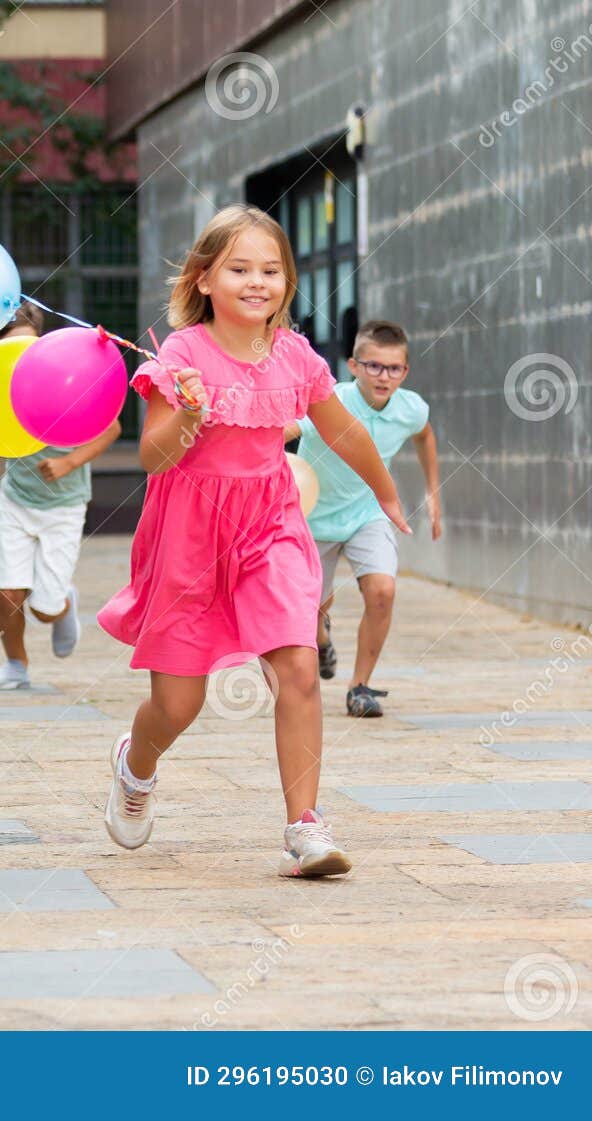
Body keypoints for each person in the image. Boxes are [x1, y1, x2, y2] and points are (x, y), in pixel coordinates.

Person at [95, 204, 410, 878]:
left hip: (270, 524)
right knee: (179, 704)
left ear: (287, 283)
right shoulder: (179, 354)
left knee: (297, 667)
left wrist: (384, 490)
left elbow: (344, 430)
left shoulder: (294, 355)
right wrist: (188, 413)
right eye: (239, 268)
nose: (257, 281)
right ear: (204, 279)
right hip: (188, 533)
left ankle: (305, 827)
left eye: (271, 269)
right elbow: (153, 458)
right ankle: (136, 763)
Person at [286, 320, 440, 718]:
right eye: (373, 366)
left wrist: (432, 491)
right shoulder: (330, 400)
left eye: (393, 369)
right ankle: (322, 640)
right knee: (311, 615)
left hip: (367, 513)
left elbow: (425, 435)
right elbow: (288, 427)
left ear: (405, 371)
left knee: (382, 592)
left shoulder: (410, 408)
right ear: (353, 366)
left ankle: (360, 687)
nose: (383, 377)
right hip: (312, 516)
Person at [0, 304, 122, 689]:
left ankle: (63, 605)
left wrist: (70, 462)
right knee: (6, 591)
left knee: (43, 608)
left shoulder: (63, 375)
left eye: (26, 346)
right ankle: (16, 665)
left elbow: (112, 428)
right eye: (9, 347)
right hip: (16, 501)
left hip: (65, 505)